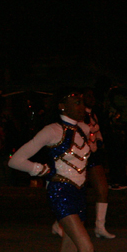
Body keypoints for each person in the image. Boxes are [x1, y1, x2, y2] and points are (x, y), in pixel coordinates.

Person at [8, 89, 115, 252]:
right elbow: (15, 160)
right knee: (86, 248)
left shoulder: (84, 129)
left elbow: (89, 155)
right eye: (74, 102)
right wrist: (40, 170)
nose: (80, 105)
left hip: (78, 194)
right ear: (62, 106)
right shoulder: (52, 130)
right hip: (60, 193)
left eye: (81, 101)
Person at [51, 88, 116, 238]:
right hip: (76, 156)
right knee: (75, 190)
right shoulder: (75, 114)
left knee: (102, 189)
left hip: (92, 155)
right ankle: (60, 222)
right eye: (87, 96)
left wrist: (98, 141)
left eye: (92, 95)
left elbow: (95, 133)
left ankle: (100, 226)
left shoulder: (92, 114)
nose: (90, 98)